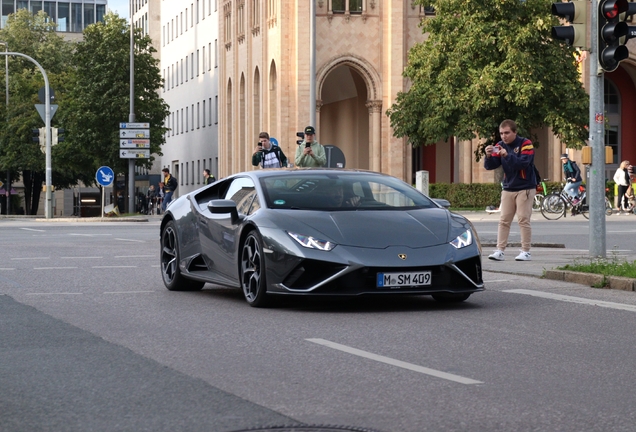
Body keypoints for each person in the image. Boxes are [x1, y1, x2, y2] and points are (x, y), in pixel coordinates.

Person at [484, 119, 537, 262]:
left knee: (523, 219)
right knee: (504, 220)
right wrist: (488, 156)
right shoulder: (499, 145)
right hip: (508, 187)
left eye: (507, 133)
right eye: (501, 133)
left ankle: (525, 251)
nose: (503, 136)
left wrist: (507, 155)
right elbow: (491, 166)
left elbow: (523, 163)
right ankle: (499, 250)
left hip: (525, 187)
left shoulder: (525, 144)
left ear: (515, 132)